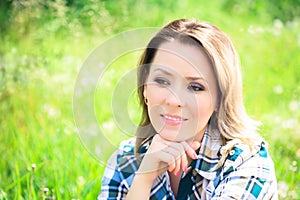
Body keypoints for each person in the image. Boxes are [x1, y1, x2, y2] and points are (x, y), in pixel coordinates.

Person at [98, 19, 278, 199]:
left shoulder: (246, 163)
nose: (173, 100)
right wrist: (144, 178)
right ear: (145, 86)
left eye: (195, 87)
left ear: (220, 98)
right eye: (162, 81)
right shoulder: (126, 159)